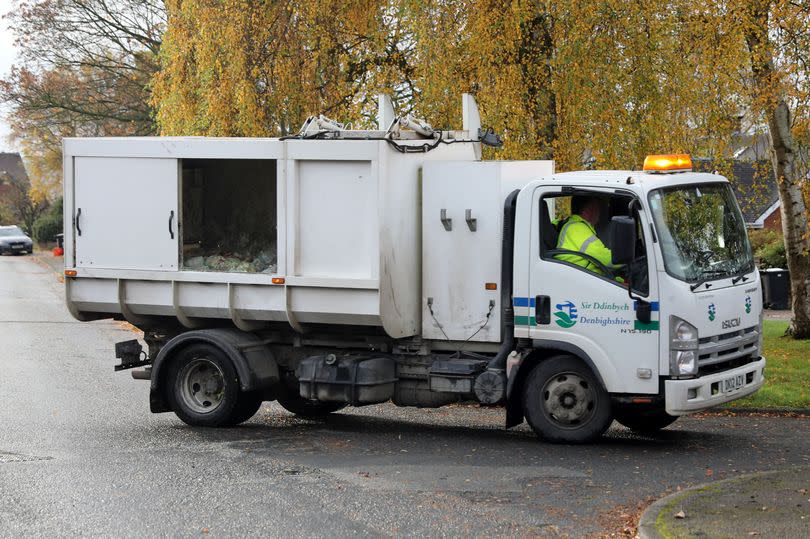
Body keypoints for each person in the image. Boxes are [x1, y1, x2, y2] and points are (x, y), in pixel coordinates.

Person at [555, 195, 622, 278]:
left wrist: (617, 281)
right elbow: (605, 259)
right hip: (578, 281)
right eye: (597, 209)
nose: (599, 213)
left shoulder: (575, 225)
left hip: (584, 278)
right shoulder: (577, 228)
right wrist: (626, 258)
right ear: (589, 210)